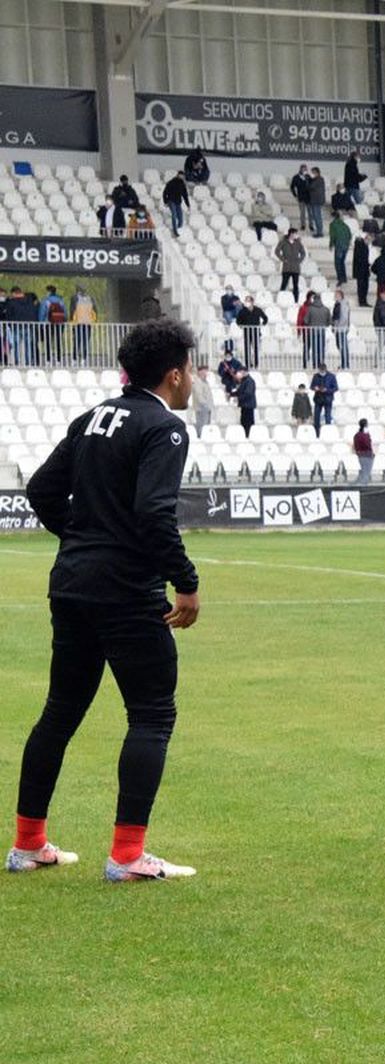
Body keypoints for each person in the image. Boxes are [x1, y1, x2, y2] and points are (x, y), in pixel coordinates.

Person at [9, 320, 202, 883]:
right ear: (173, 374)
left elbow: (41, 490)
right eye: (189, 369)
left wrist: (81, 537)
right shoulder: (163, 429)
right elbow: (152, 513)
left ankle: (28, 844)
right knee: (151, 714)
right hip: (125, 592)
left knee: (60, 712)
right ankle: (126, 856)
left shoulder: (92, 417)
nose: (191, 379)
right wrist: (185, 581)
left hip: (71, 584)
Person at [301, 291, 331, 369]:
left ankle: (315, 365)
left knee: (314, 349)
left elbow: (305, 320)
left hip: (313, 332)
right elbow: (329, 322)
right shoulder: (326, 309)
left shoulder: (310, 309)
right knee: (321, 348)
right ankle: (321, 364)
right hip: (322, 332)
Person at [234, 296, 267, 367]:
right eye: (246, 301)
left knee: (256, 349)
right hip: (247, 333)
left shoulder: (258, 310)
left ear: (252, 302)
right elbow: (238, 321)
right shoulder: (242, 311)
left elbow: (265, 318)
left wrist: (262, 324)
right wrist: (241, 325)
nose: (246, 302)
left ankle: (256, 363)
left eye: (248, 301)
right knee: (247, 349)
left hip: (256, 333)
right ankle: (248, 364)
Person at [275, 229, 305, 302]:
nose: (296, 235)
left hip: (295, 268)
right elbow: (277, 251)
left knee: (295, 286)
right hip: (287, 267)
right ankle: (280, 299)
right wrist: (283, 259)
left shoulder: (298, 243)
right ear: (291, 234)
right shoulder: (283, 242)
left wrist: (299, 260)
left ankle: (296, 300)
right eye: (295, 234)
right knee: (284, 284)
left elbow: (303, 253)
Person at [310, 363, 338, 435]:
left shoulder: (332, 376)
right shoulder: (315, 376)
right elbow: (311, 386)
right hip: (318, 398)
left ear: (325, 369)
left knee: (328, 417)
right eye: (320, 370)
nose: (321, 372)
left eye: (323, 370)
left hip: (328, 399)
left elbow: (335, 388)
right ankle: (317, 433)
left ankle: (327, 433)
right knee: (316, 417)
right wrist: (315, 388)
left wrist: (327, 390)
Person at [235, 367, 257, 437]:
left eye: (241, 372)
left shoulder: (249, 381)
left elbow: (248, 393)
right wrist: (232, 394)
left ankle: (248, 436)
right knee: (244, 423)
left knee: (247, 424)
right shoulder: (244, 380)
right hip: (245, 406)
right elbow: (240, 391)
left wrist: (239, 399)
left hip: (248, 406)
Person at [305, 167, 326, 237]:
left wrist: (307, 180)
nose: (312, 174)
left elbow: (310, 187)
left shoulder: (319, 179)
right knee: (316, 216)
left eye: (313, 172)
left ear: (317, 173)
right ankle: (319, 231)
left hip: (316, 200)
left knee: (317, 216)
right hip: (316, 200)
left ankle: (319, 232)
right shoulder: (318, 179)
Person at [290, 165, 312, 230]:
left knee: (310, 213)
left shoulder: (309, 177)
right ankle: (303, 225)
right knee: (302, 212)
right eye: (303, 169)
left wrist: (307, 178)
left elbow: (312, 186)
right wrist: (295, 195)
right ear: (300, 169)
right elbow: (292, 187)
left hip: (309, 197)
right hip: (301, 197)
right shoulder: (296, 177)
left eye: (306, 169)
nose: (304, 170)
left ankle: (311, 225)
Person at [352, 234, 371, 307]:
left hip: (364, 271)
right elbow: (360, 259)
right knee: (361, 287)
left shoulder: (364, 246)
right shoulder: (360, 245)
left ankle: (363, 301)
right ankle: (362, 301)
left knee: (364, 287)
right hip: (361, 271)